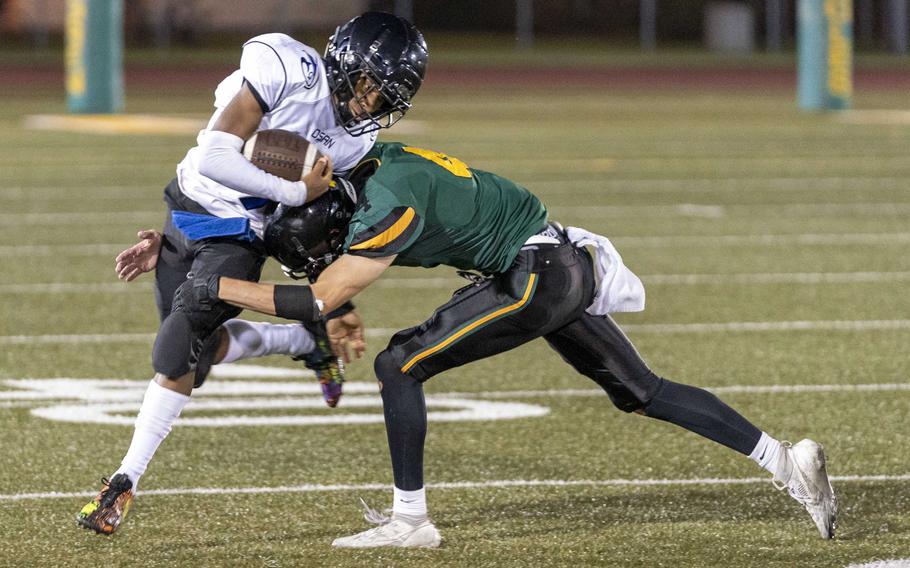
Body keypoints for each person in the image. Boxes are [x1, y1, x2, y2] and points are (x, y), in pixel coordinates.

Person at [174, 142, 838, 548]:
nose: (325, 256)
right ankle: (787, 461)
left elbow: (318, 297)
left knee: (397, 363)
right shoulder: (375, 169)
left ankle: (411, 520)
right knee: (641, 392)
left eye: (321, 247)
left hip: (534, 276)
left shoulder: (386, 206)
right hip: (558, 261)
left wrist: (220, 289)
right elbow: (326, 263)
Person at [76, 12, 428, 535]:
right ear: (345, 64)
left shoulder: (357, 140)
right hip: (188, 203)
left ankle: (124, 480)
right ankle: (301, 344)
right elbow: (214, 155)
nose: (370, 104)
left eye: (384, 98)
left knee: (176, 348)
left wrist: (334, 291)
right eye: (369, 86)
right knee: (197, 358)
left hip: (242, 232)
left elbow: (318, 220)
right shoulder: (287, 65)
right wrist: (171, 237)